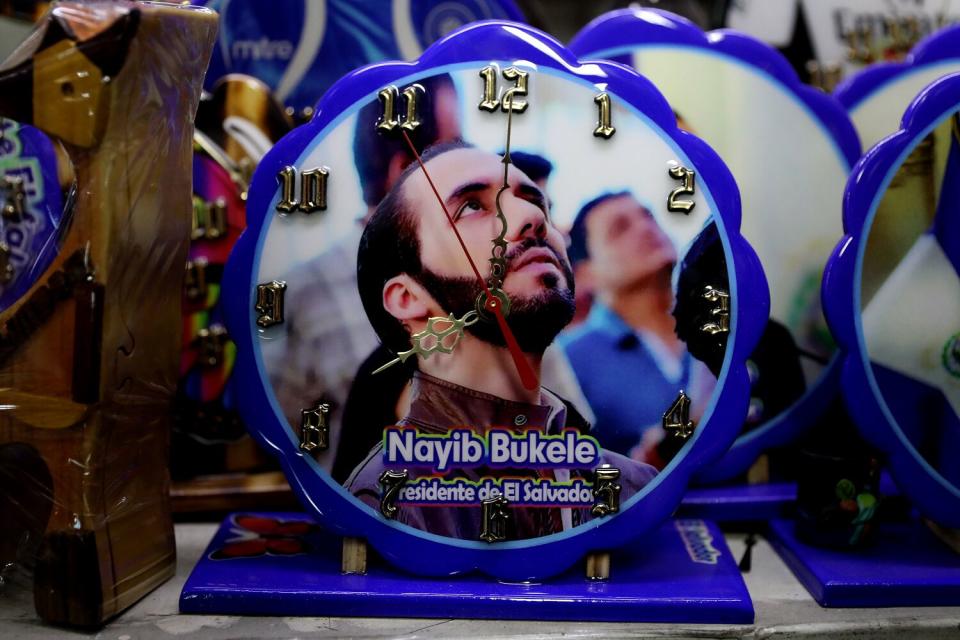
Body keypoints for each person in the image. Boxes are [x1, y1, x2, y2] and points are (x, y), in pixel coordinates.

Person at [345, 142, 656, 540]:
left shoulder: (635, 490)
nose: (532, 217)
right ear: (408, 298)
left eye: (535, 202)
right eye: (472, 206)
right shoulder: (387, 509)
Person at [267, 75, 461, 468]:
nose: (471, 164)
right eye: (454, 149)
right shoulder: (309, 291)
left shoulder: (489, 274)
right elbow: (286, 443)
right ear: (404, 169)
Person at [558, 192, 716, 463]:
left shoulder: (724, 325)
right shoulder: (566, 362)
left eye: (649, 216)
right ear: (585, 274)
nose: (645, 228)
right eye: (620, 228)